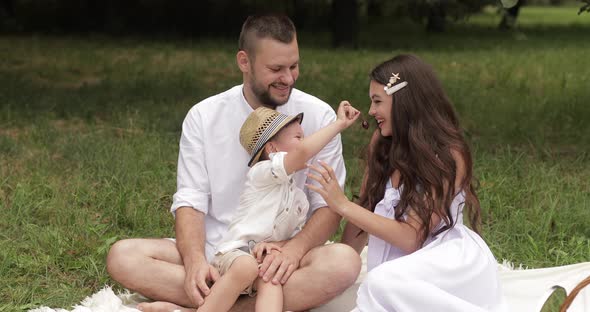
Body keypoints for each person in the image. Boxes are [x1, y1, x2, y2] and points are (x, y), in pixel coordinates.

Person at [105, 14, 361, 312]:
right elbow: (191, 200)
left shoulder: (318, 114)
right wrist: (195, 262)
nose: (288, 78)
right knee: (123, 257)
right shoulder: (204, 116)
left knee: (344, 262)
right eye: (276, 69)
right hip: (218, 251)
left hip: (276, 258)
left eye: (294, 66)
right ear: (244, 61)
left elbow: (328, 205)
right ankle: (242, 302)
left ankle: (208, 307)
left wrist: (294, 251)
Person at [306, 54, 508, 311]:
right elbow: (364, 211)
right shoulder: (381, 142)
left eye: (378, 101)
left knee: (380, 282)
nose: (371, 111)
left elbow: (412, 237)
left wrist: (342, 204)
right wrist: (340, 265)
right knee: (377, 283)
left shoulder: (449, 154)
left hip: (445, 262)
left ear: (404, 102)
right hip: (399, 269)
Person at [200, 102, 360, 312]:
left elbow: (293, 236)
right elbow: (303, 152)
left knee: (272, 277)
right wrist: (338, 124)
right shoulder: (261, 174)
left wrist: (277, 246)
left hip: (260, 259)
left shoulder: (298, 198)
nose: (304, 143)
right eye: (298, 138)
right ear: (272, 149)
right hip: (233, 256)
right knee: (246, 267)